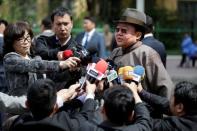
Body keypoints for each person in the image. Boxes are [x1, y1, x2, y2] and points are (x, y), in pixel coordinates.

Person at [107, 8, 173, 97]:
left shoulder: (147, 54)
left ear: (138, 35)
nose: (119, 33)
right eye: (117, 30)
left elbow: (166, 87)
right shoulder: (115, 52)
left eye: (124, 31)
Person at [3, 21, 80, 96]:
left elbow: (52, 77)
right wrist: (61, 63)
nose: (26, 42)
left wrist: (71, 70)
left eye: (27, 37)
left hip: (37, 103)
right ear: (11, 42)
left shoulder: (34, 57)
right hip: (19, 105)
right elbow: (35, 65)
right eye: (20, 39)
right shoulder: (10, 59)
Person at [10, 79, 97, 131]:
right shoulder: (64, 124)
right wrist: (90, 94)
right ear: (56, 106)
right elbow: (85, 117)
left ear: (27, 104)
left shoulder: (18, 123)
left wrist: (67, 96)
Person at [35, 7, 83, 89]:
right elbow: (40, 52)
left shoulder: (79, 49)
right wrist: (56, 53)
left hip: (68, 95)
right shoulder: (43, 41)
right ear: (52, 24)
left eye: (65, 24)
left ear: (72, 24)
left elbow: (81, 75)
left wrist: (75, 70)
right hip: (44, 92)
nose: (62, 28)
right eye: (58, 24)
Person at [79, 83, 152, 131]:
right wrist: (134, 93)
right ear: (131, 116)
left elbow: (83, 118)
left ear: (102, 110)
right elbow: (144, 118)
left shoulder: (86, 128)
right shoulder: (140, 128)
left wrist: (90, 94)